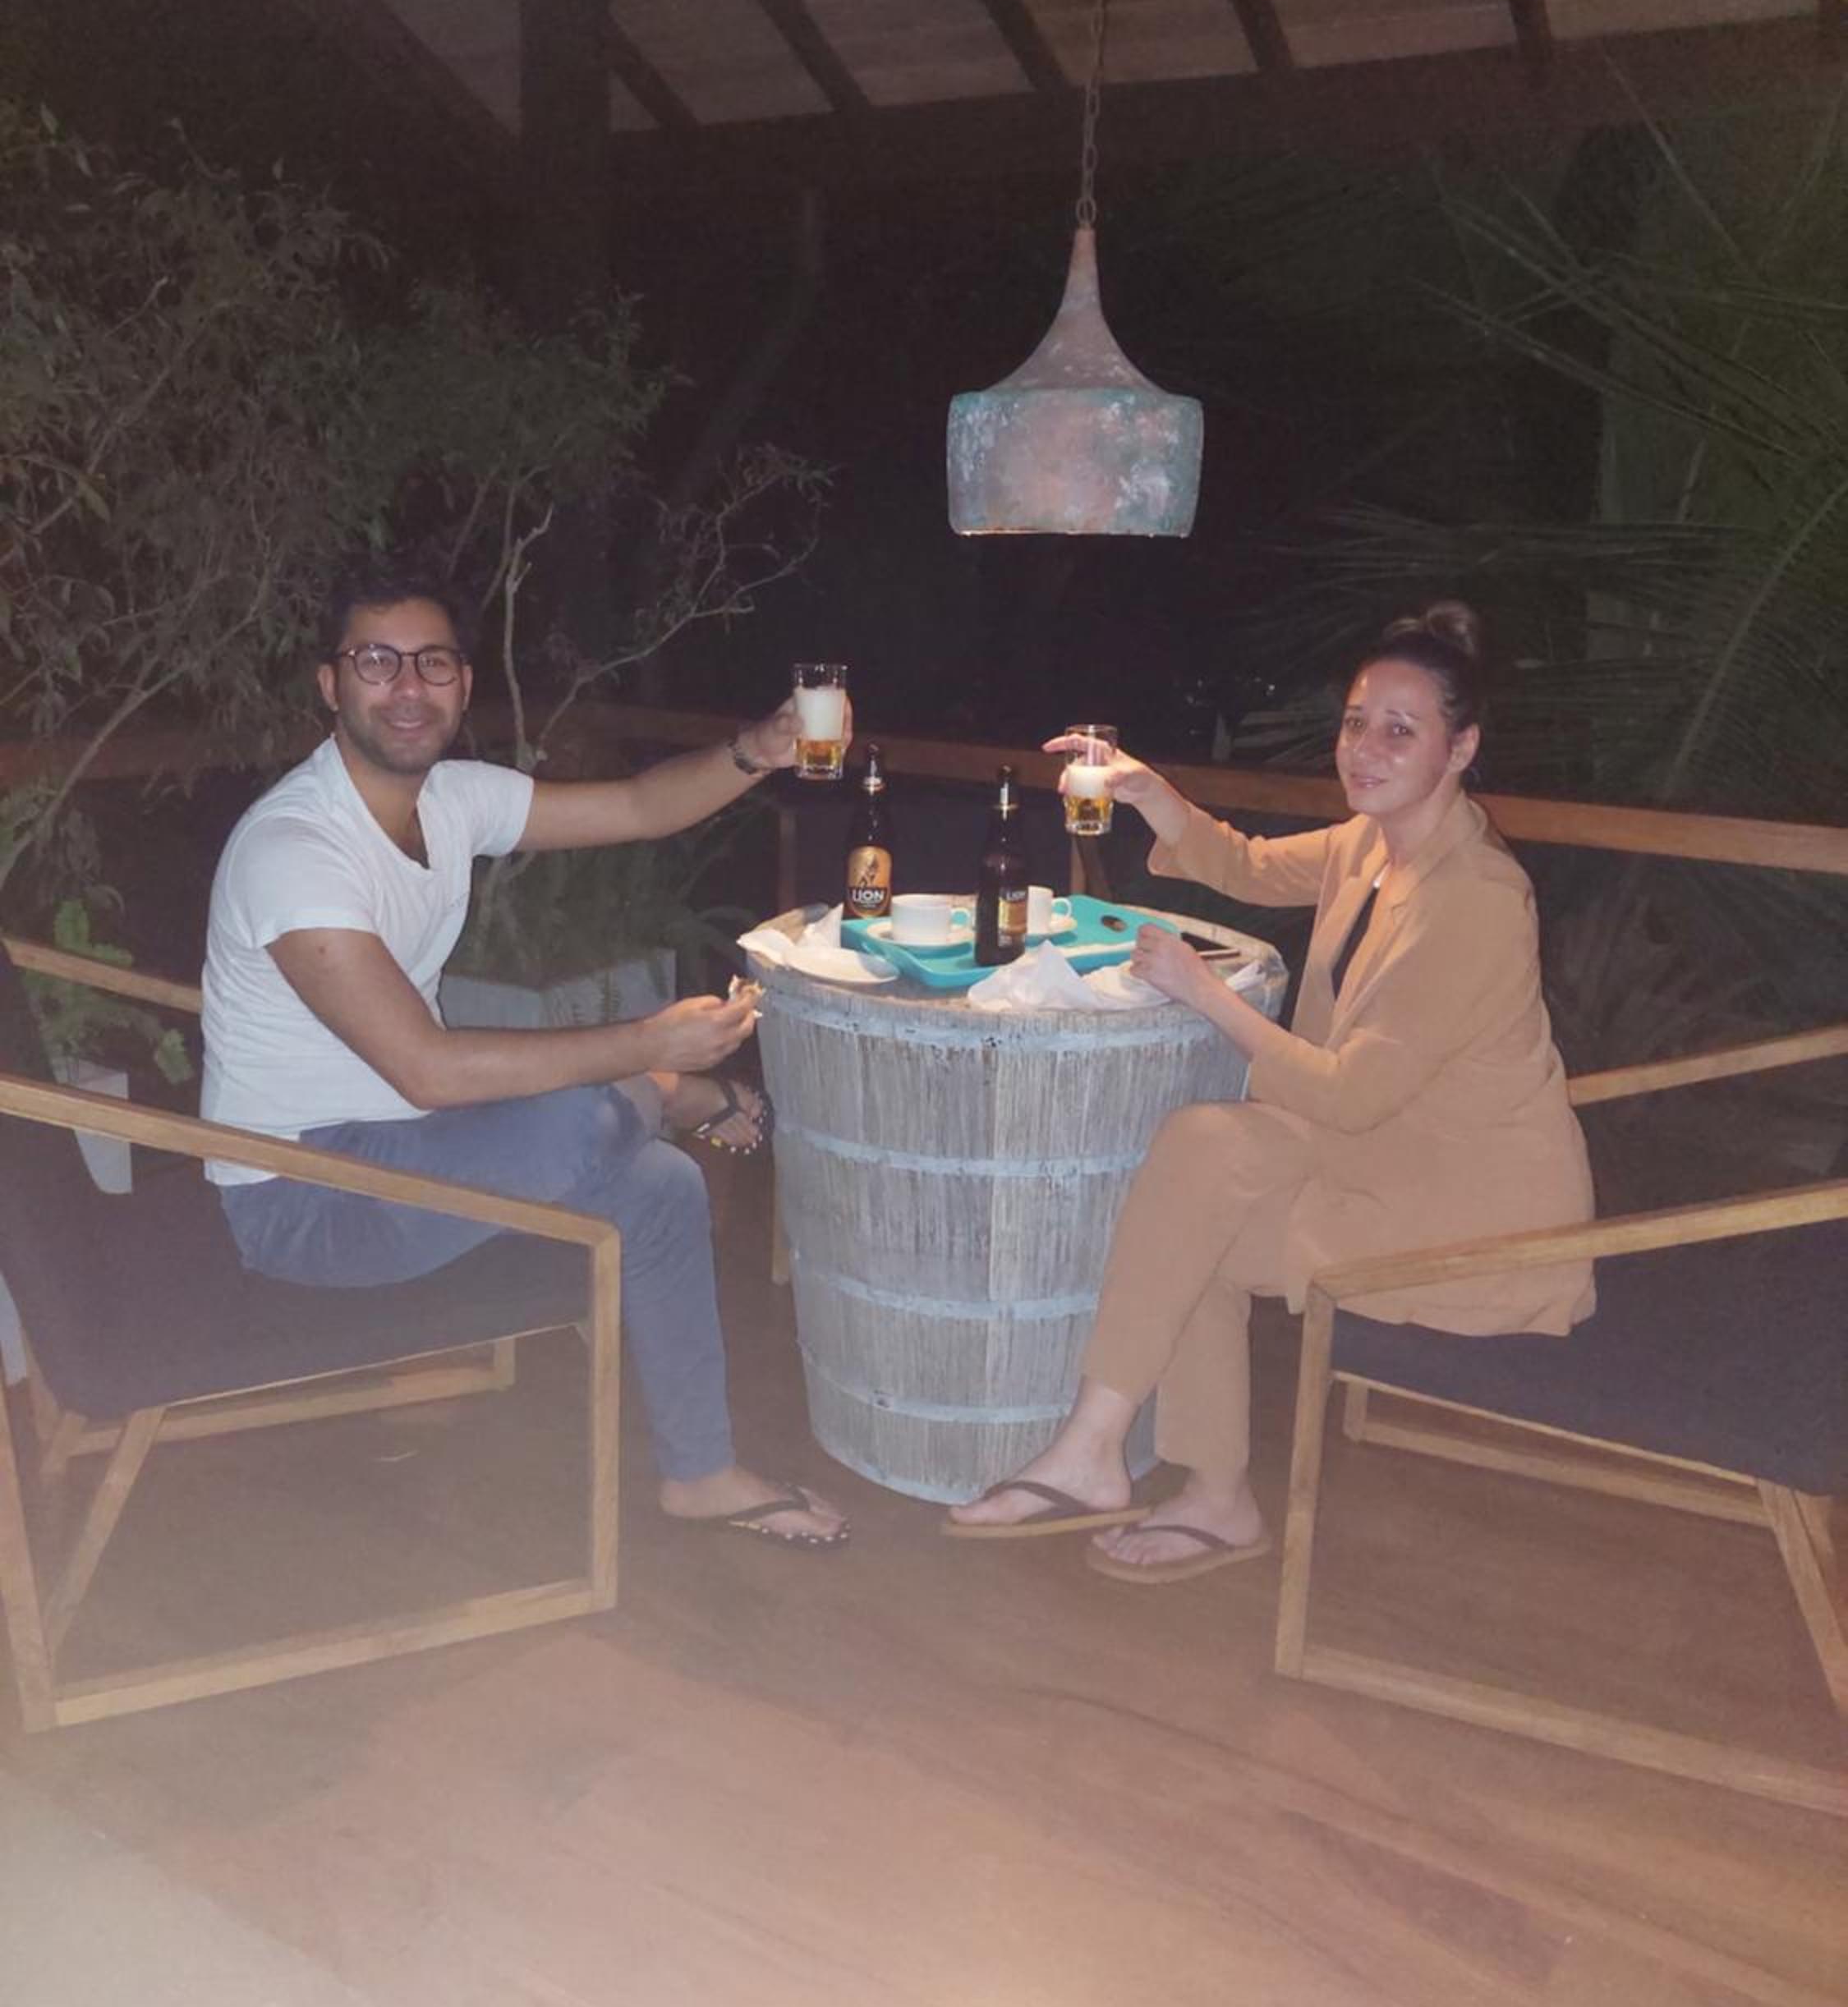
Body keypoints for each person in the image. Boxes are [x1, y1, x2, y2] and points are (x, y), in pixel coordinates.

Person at [201, 557, 848, 1547]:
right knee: (588, 1116)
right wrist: (647, 1046)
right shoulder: (297, 850)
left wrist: (755, 751)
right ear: (330, 684)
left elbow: (638, 808)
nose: (408, 687)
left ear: (463, 683)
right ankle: (667, 1090)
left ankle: (701, 1472)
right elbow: (427, 1068)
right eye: (377, 662)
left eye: (433, 662)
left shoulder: (450, 799)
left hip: (410, 1143)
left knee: (662, 1186)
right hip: (304, 1195)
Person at [946, 602, 1593, 1580]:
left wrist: (1203, 993)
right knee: (1201, 1161)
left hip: (1467, 1214)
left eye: (1400, 730)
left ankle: (1161, 1478)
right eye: (1356, 722)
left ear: (1461, 749)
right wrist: (1147, 790)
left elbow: (1351, 1096)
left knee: (1200, 1204)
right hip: (1376, 1158)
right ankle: (1112, 1458)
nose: (1365, 749)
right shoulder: (1376, 844)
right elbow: (1245, 865)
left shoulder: (1477, 899)